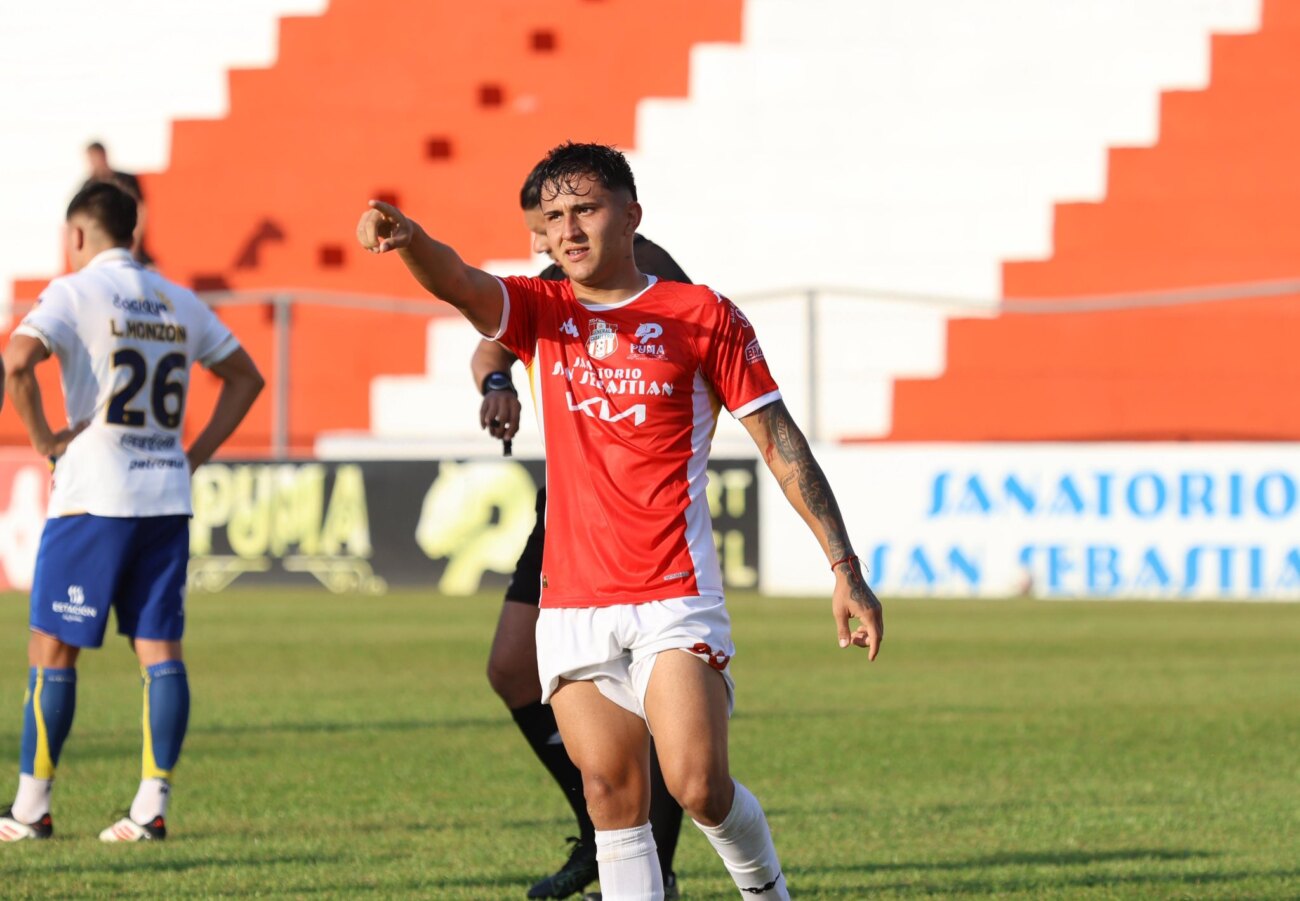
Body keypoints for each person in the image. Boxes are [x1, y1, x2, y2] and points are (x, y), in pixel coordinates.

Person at [357, 142, 883, 900]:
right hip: (572, 602)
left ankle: (767, 891)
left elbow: (780, 444)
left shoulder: (702, 314)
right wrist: (412, 242)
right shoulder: (545, 309)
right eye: (554, 217)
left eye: (586, 210)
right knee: (611, 797)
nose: (568, 229)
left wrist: (845, 569)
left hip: (673, 591)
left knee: (698, 784)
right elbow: (461, 284)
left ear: (631, 215)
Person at [0, 182, 264, 842]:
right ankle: (150, 808)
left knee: (52, 648)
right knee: (159, 651)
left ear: (79, 236)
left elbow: (15, 362)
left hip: (93, 494)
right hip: (164, 496)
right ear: (136, 233)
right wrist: (192, 454)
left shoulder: (71, 290)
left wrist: (41, 440)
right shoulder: (178, 299)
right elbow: (246, 376)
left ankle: (31, 809)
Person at [473, 161, 690, 900]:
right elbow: (489, 342)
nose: (550, 240)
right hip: (566, 503)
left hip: (642, 513)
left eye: (554, 222)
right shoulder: (552, 279)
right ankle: (601, 834)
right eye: (542, 230)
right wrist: (497, 383)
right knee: (511, 666)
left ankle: (648, 863)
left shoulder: (649, 274)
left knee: (649, 706)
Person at [83, 141, 153, 266]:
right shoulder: (88, 186)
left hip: (131, 243)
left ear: (103, 155)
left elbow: (141, 210)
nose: (94, 163)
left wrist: (135, 243)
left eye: (95, 158)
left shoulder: (125, 180)